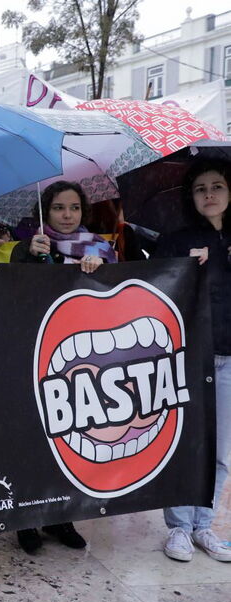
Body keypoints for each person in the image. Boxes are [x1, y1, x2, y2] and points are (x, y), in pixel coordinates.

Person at [10, 180, 116, 554]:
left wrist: (100, 270)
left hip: (82, 360)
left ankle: (61, 517)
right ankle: (26, 519)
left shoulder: (100, 249)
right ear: (45, 211)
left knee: (71, 437)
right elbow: (12, 291)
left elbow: (116, 296)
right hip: (36, 355)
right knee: (34, 439)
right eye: (58, 208)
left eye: (74, 207)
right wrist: (30, 256)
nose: (67, 215)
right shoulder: (28, 247)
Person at [154, 158, 231, 563]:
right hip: (189, 357)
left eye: (217, 186)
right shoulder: (176, 239)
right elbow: (155, 288)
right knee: (185, 443)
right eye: (201, 188)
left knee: (221, 452)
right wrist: (183, 266)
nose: (209, 194)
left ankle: (205, 525)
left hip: (230, 359)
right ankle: (179, 527)